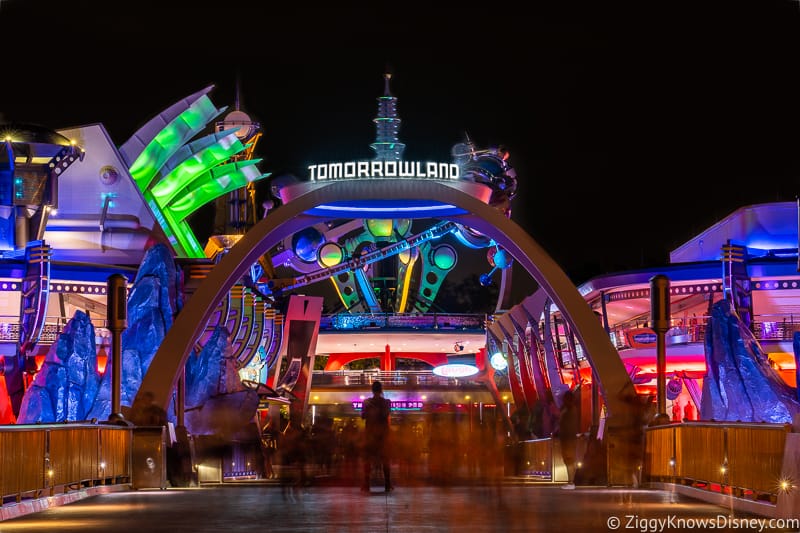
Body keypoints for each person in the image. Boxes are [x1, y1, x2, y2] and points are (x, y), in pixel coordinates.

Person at [361, 380, 392, 493]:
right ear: (381, 389)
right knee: (385, 460)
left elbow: (363, 416)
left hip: (370, 434)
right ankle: (387, 484)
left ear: (372, 390)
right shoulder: (387, 402)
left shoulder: (366, 402)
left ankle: (366, 483)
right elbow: (386, 414)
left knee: (367, 459)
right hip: (383, 435)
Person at [557, 389, 579, 489]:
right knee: (569, 460)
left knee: (569, 460)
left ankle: (571, 482)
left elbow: (567, 425)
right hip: (567, 438)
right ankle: (571, 481)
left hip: (568, 439)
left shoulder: (570, 410)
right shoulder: (569, 410)